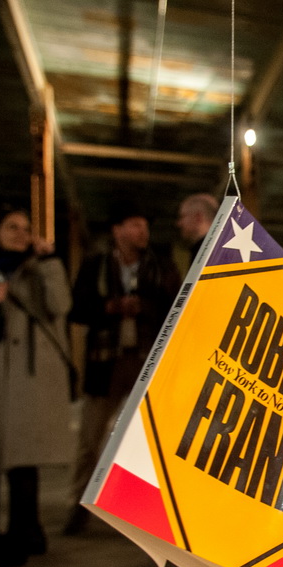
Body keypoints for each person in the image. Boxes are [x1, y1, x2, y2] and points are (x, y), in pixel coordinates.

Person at [0, 209, 73, 567]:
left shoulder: (40, 270)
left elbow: (60, 306)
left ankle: (23, 534)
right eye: (11, 226)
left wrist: (51, 262)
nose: (20, 233)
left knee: (23, 458)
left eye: (26, 228)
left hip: (29, 380)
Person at [62, 210, 180, 534]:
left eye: (145, 225)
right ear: (117, 230)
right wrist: (110, 307)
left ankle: (147, 512)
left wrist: (145, 308)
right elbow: (76, 310)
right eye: (135, 225)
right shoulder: (95, 265)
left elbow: (178, 308)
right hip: (105, 363)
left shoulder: (161, 267)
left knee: (150, 440)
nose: (143, 231)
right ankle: (78, 507)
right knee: (90, 439)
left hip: (147, 361)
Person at [177, 193, 219, 261]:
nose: (179, 223)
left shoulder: (203, 253)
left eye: (182, 216)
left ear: (198, 217)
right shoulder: (222, 248)